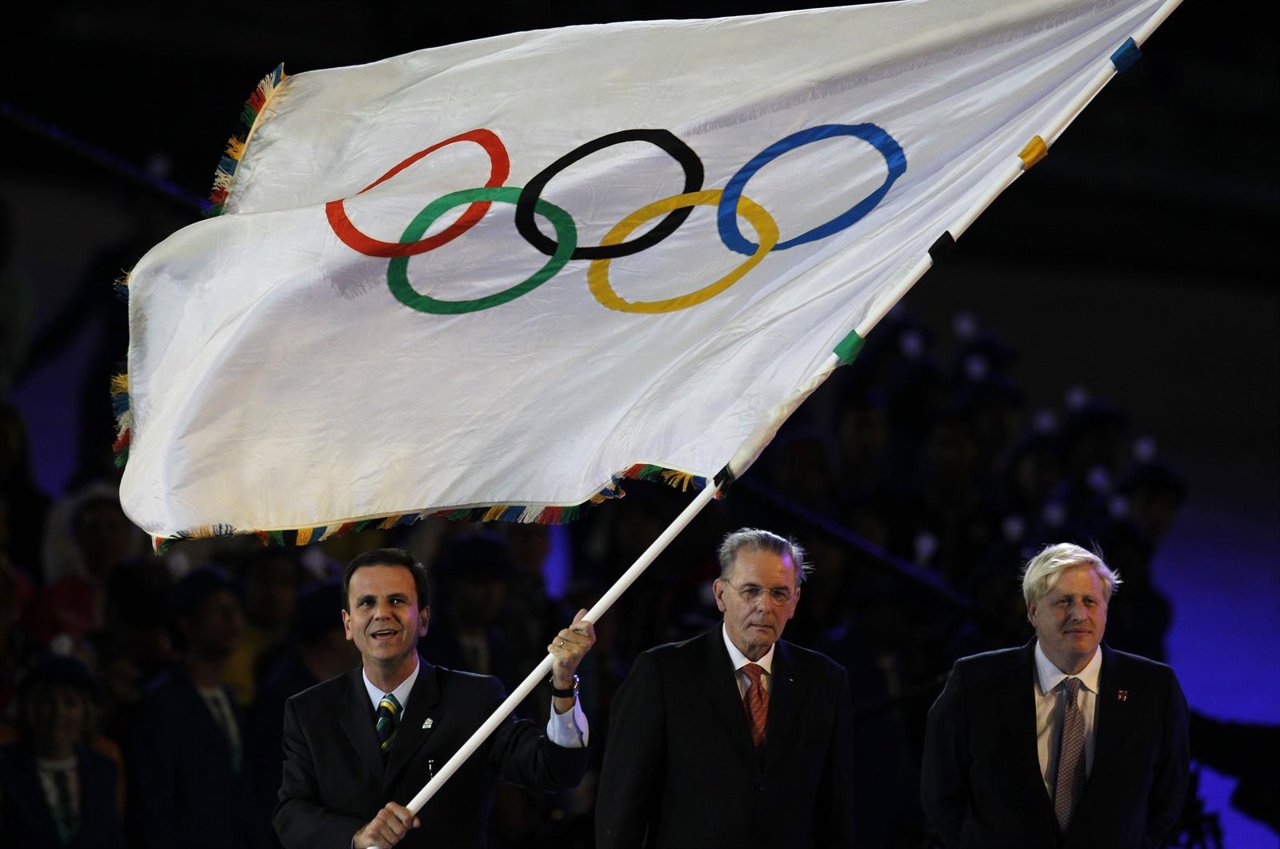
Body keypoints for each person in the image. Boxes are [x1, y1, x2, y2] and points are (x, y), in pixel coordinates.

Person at [273, 546, 595, 849]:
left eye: (397, 600)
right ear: (347, 623)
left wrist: (563, 684)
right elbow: (290, 816)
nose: (382, 613)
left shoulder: (474, 699)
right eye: (367, 603)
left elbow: (554, 770)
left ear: (424, 619)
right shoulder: (309, 711)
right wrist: (357, 837)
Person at [595, 528, 856, 849]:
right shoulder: (662, 673)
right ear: (720, 595)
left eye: (779, 593)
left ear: (795, 601)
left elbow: (835, 813)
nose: (765, 606)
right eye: (750, 590)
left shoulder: (826, 682)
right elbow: (622, 806)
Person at [920, 542, 1190, 848]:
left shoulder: (1154, 689)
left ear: (1105, 610)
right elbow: (939, 791)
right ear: (1033, 611)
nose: (1078, 614)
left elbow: (1168, 797)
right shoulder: (975, 682)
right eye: (1063, 601)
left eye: (1090, 601)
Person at [0, 654, 126, 848]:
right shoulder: (6, 767)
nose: (58, 713)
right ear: (32, 709)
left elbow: (111, 837)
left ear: (85, 712)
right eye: (47, 702)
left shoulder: (103, 770)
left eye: (70, 703)